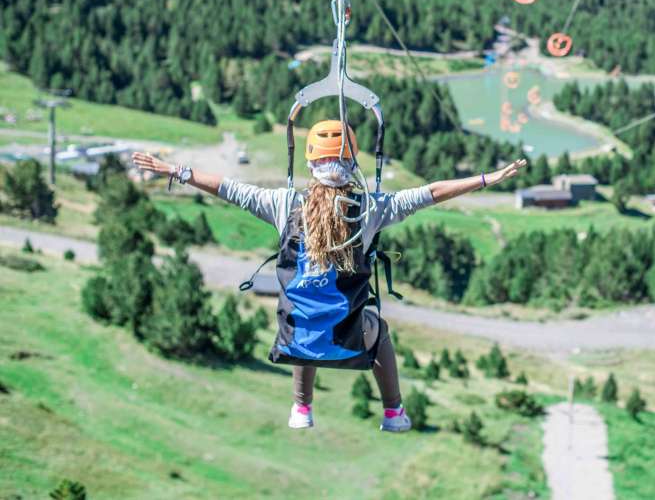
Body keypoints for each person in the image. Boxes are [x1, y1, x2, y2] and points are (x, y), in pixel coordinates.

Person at [132, 120, 525, 432]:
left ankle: (301, 407)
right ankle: (393, 412)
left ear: (309, 163)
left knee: (307, 320)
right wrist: (486, 179)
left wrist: (178, 171)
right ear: (353, 161)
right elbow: (430, 193)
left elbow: (228, 189)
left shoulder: (284, 203)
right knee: (379, 327)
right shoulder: (369, 209)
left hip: (294, 337)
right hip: (352, 337)